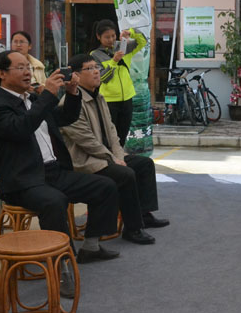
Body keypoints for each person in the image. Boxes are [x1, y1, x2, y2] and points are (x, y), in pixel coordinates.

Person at [0, 51, 122, 297]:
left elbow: (65, 117)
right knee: (54, 201)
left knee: (105, 185)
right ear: (2, 74)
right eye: (20, 68)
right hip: (23, 180)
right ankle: (62, 266)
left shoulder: (32, 98)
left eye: (28, 67)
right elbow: (22, 128)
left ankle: (91, 246)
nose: (28, 72)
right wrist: (48, 95)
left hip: (53, 172)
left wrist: (72, 93)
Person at [60, 54, 169, 244]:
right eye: (90, 68)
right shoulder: (70, 103)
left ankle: (144, 214)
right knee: (125, 174)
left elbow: (112, 132)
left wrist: (119, 156)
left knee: (144, 164)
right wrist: (112, 158)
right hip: (86, 160)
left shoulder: (99, 97)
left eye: (97, 67)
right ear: (76, 75)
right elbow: (87, 141)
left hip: (106, 156)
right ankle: (133, 228)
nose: (96, 72)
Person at [89, 19, 146, 146]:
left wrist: (130, 32)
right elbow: (103, 78)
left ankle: (120, 156)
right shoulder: (95, 55)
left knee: (123, 136)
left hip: (127, 98)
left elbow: (143, 41)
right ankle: (112, 157)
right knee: (110, 137)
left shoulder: (123, 47)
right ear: (98, 37)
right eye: (107, 37)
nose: (111, 40)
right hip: (109, 100)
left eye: (113, 36)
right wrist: (114, 61)